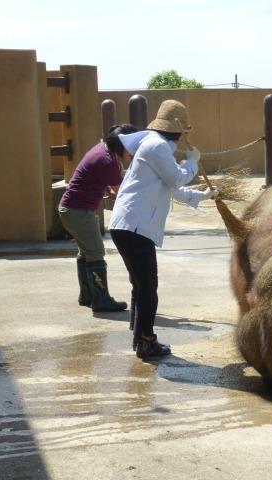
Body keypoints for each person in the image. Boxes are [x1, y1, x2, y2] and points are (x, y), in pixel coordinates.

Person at [109, 100, 216, 360]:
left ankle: (140, 338)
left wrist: (200, 196)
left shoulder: (155, 147)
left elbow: (172, 187)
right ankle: (146, 341)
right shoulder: (157, 146)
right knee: (148, 287)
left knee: (141, 285)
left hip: (129, 224)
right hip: (135, 226)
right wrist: (192, 162)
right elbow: (177, 177)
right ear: (179, 131)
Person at [59, 123, 138, 312]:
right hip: (79, 212)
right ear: (121, 145)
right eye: (131, 147)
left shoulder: (102, 149)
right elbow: (123, 192)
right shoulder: (107, 160)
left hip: (70, 210)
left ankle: (87, 296)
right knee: (96, 253)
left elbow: (101, 180)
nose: (133, 151)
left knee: (86, 252)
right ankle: (101, 301)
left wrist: (109, 189)